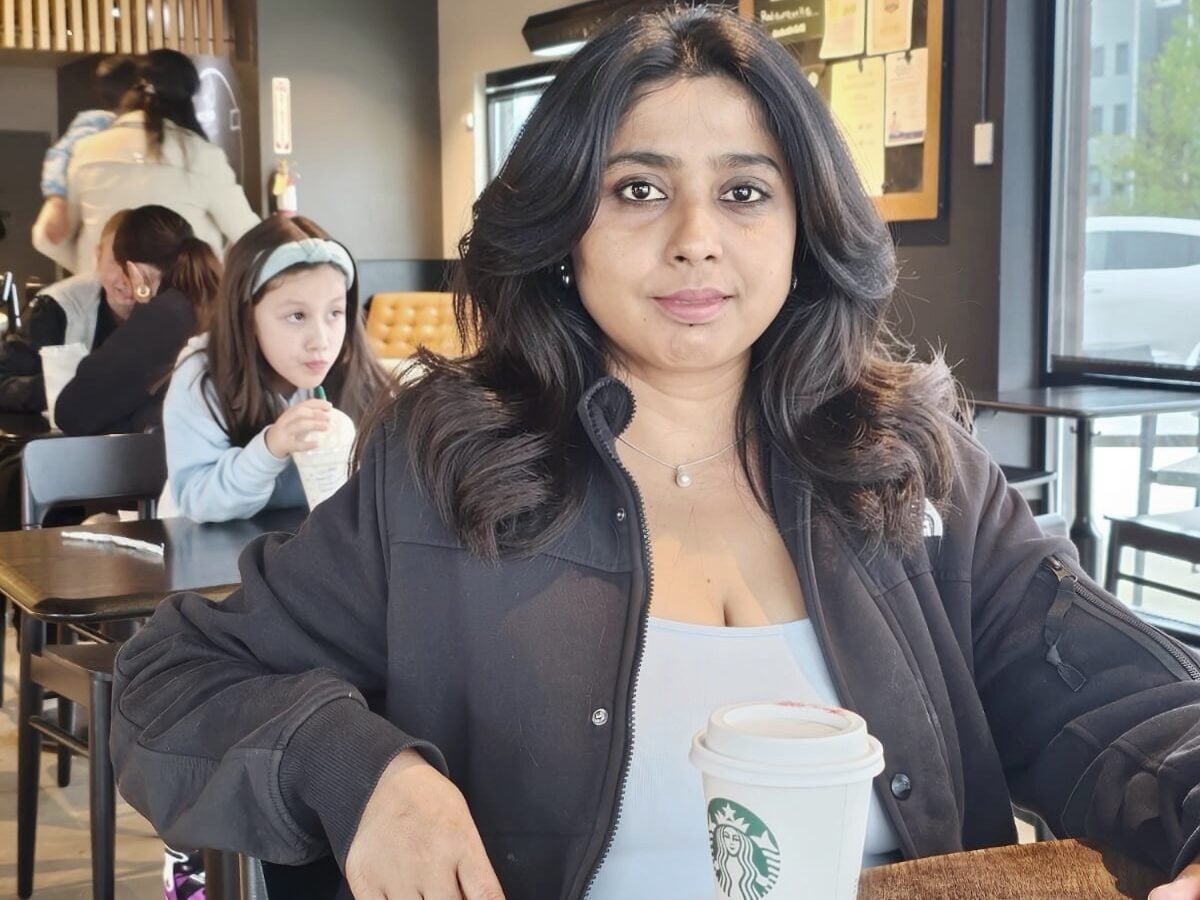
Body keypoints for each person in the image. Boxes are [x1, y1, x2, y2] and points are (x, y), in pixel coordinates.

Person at [111, 8, 1200, 900]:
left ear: (802, 226)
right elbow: (169, 681)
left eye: (743, 190)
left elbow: (1129, 709)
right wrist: (362, 772)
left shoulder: (914, 461)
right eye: (637, 189)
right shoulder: (440, 466)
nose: (693, 235)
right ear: (565, 231)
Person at [160, 215, 390, 522]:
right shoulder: (201, 377)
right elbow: (198, 499)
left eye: (335, 312)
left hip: (303, 552)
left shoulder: (357, 375)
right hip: (205, 555)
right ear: (247, 316)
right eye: (296, 316)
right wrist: (270, 448)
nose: (320, 341)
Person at [32, 48, 259, 277]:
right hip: (183, 300)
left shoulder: (86, 150)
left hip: (103, 303)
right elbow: (250, 237)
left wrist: (95, 269)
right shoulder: (201, 155)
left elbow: (49, 238)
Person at [55, 204, 219, 435]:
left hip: (172, 466)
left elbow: (72, 412)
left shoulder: (163, 316)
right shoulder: (213, 302)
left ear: (134, 271)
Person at [0, 210, 133, 414]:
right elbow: (4, 383)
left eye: (140, 267)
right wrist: (65, 384)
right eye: (116, 261)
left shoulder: (179, 310)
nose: (127, 277)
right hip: (66, 440)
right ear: (98, 257)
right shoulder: (56, 307)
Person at [36, 54, 140, 246]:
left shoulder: (94, 122)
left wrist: (57, 201)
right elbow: (60, 156)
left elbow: (58, 155)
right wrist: (57, 202)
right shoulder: (96, 122)